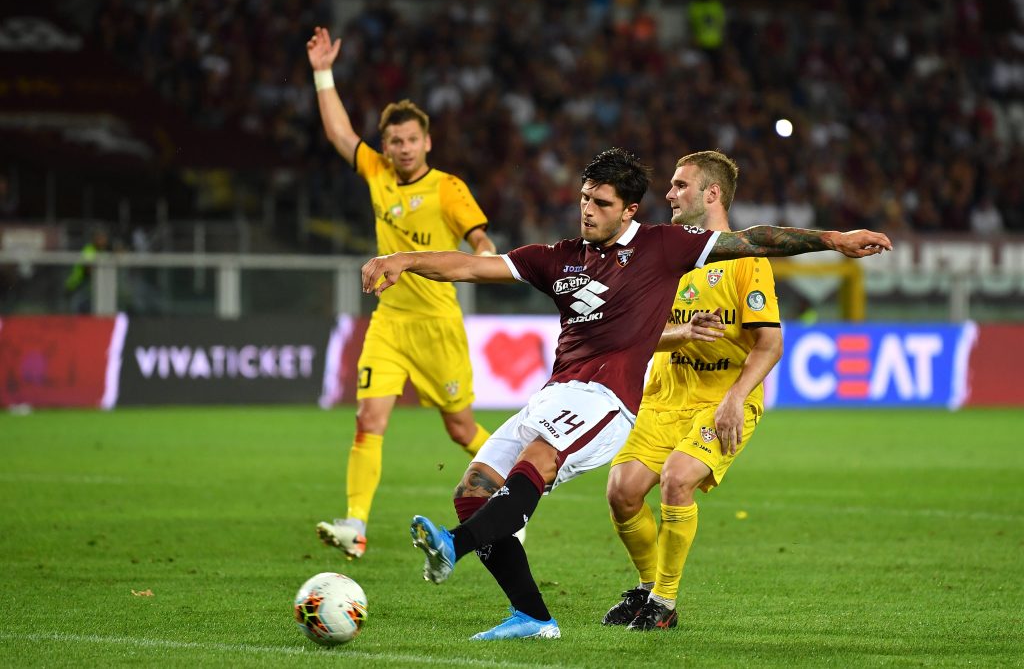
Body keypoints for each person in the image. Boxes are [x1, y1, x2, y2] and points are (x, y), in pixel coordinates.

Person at [360, 147, 891, 640]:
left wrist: (833, 239)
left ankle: (455, 544)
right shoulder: (561, 257)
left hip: (606, 400)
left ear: (629, 209)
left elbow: (755, 239)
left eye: (601, 202)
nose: (587, 209)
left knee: (538, 463)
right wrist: (404, 260)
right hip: (558, 390)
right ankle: (531, 615)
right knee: (473, 489)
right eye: (584, 198)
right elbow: (471, 266)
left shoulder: (664, 247)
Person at [306, 26, 498, 559]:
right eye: (394, 141)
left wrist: (487, 258)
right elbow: (341, 133)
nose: (403, 148)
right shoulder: (378, 173)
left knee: (461, 429)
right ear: (386, 147)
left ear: (427, 143)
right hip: (389, 322)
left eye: (412, 140)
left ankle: (513, 487)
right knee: (369, 419)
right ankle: (356, 525)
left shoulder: (448, 188)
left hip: (438, 326)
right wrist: (323, 72)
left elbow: (479, 238)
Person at [602, 150, 782, 631]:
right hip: (664, 395)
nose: (669, 193)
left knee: (677, 479)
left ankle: (663, 602)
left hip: (721, 398)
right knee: (621, 492)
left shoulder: (746, 259)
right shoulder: (661, 255)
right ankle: (646, 589)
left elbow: (770, 344)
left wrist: (735, 399)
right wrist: (680, 334)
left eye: (681, 185)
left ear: (712, 194)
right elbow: (632, 331)